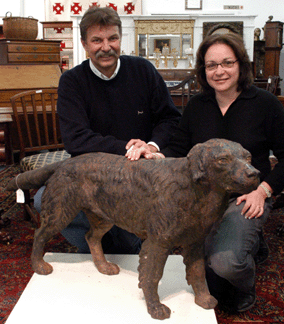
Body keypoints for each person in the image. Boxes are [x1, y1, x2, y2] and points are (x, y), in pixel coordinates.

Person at [126, 33, 284, 312]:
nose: (219, 71)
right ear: (203, 70)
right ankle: (249, 243)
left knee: (226, 266)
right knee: (207, 270)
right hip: (203, 199)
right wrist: (152, 153)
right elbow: (178, 149)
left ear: (241, 64)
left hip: (245, 197)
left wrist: (263, 191)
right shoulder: (198, 106)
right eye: (211, 65)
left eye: (227, 63)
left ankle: (246, 280)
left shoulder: (265, 104)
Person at [34, 7, 181, 254]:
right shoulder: (71, 81)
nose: (106, 47)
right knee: (42, 200)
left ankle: (120, 244)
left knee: (127, 245)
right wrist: (128, 147)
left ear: (120, 39)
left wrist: (150, 146)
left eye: (112, 38)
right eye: (97, 40)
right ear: (84, 44)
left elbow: (170, 119)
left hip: (138, 173)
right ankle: (97, 245)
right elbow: (75, 140)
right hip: (90, 174)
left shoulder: (143, 70)